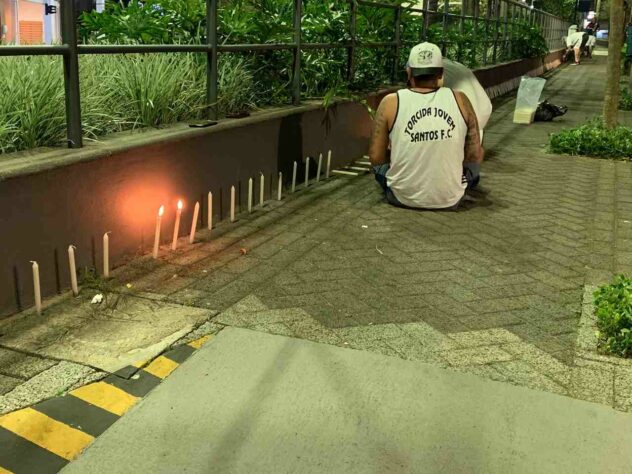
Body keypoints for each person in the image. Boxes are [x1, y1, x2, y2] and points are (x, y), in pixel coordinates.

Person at [369, 42, 483, 210]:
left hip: (401, 197)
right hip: (451, 199)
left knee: (381, 167)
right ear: (441, 73)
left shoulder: (390, 102)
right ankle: (450, 186)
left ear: (409, 72)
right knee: (476, 158)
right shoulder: (461, 100)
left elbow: (375, 157)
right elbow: (474, 155)